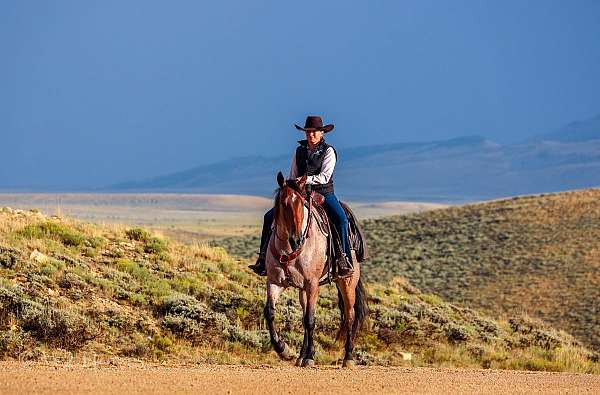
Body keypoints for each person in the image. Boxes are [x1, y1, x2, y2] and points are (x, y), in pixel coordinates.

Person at [248, 115, 354, 278]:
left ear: (322, 133)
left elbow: (325, 176)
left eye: (314, 132)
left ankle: (344, 259)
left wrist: (306, 179)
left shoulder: (329, 151)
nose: (310, 135)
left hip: (324, 193)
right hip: (301, 193)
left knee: (341, 219)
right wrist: (289, 185)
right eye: (308, 132)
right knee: (269, 216)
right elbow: (293, 174)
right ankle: (263, 259)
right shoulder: (299, 151)